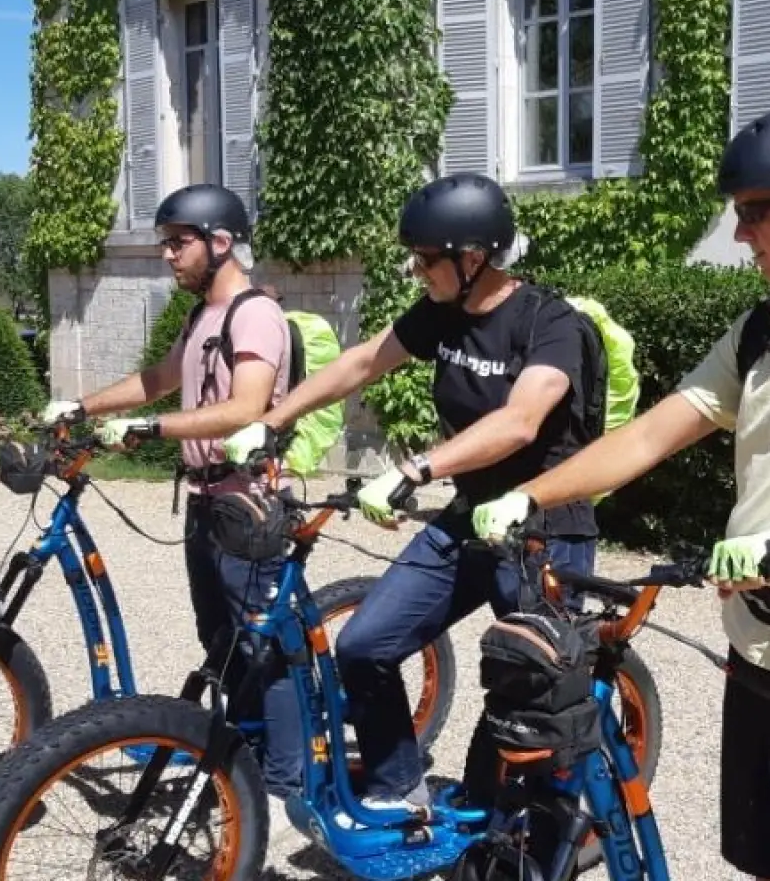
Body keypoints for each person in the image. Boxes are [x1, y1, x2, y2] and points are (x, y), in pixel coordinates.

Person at [472, 104, 770, 880]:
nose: (740, 235)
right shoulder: (762, 332)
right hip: (763, 647)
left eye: (753, 215)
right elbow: (655, 433)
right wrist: (532, 494)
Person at [220, 172, 600, 816]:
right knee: (364, 647)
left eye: (426, 258)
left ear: (473, 258)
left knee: (530, 685)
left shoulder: (548, 321)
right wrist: (273, 418)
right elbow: (362, 362)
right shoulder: (443, 315)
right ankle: (400, 785)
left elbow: (520, 421)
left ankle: (550, 825)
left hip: (543, 527)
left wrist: (415, 469)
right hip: (467, 520)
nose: (416, 269)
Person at [39, 182, 305, 798]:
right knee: (221, 640)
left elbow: (244, 408)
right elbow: (160, 377)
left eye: (177, 242)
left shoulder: (253, 314)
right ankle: (244, 754)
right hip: (206, 499)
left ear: (220, 242)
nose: (167, 255)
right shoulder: (202, 314)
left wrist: (149, 428)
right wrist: (80, 407)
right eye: (164, 243)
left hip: (250, 500)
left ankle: (284, 779)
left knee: (264, 647)